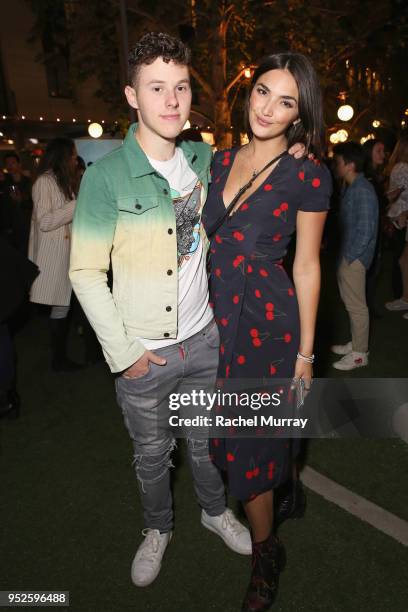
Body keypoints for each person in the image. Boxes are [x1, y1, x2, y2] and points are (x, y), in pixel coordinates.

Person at [69, 32, 255, 589]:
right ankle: (158, 528)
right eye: (157, 88)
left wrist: (288, 147)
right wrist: (125, 354)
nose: (172, 101)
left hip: (203, 340)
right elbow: (83, 272)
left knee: (203, 442)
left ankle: (214, 509)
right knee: (153, 456)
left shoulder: (204, 159)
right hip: (143, 349)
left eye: (179, 88)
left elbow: (254, 162)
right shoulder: (105, 177)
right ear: (132, 96)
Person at [202, 52, 331, 611]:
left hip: (266, 325)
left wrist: (305, 354)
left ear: (299, 116)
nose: (268, 108)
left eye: (286, 102)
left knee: (248, 453)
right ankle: (286, 484)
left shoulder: (309, 173)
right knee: (225, 441)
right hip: (212, 320)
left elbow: (306, 264)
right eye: (262, 92)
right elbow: (195, 234)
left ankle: (265, 554)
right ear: (247, 93)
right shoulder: (216, 159)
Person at [28, 137, 81, 372]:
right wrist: (76, 205)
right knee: (60, 306)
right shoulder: (45, 182)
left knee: (63, 307)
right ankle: (58, 359)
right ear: (62, 156)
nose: (74, 160)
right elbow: (46, 221)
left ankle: (60, 358)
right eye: (71, 155)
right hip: (52, 256)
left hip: (65, 253)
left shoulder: (61, 181)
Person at [331, 142, 379, 369]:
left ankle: (360, 354)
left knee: (357, 307)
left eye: (338, 162)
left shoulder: (362, 189)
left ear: (350, 165)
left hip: (354, 258)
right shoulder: (351, 186)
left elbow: (367, 228)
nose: (335, 166)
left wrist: (351, 257)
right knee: (352, 304)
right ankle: (357, 344)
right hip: (349, 255)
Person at [384, 134, 408, 318]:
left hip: (399, 216)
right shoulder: (401, 167)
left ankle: (402, 296)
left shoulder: (400, 167)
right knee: (400, 259)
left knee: (399, 259)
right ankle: (403, 297)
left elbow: (393, 194)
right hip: (400, 216)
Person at [3, 152, 33, 253]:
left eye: (13, 163)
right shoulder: (4, 184)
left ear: (19, 164)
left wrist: (21, 201)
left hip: (25, 226)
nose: (10, 166)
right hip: (9, 229)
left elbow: (34, 204)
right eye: (7, 163)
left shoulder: (29, 183)